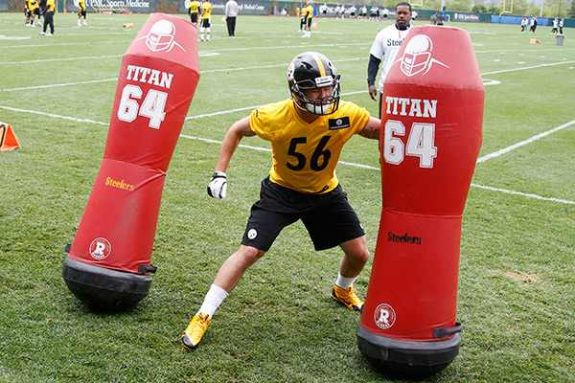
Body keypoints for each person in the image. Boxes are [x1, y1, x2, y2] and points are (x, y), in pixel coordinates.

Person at [181, 51, 381, 350]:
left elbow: (376, 129)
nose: (324, 95)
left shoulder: (346, 113)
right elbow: (236, 129)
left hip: (325, 192)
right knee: (249, 252)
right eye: (316, 88)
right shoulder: (275, 115)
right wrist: (219, 173)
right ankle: (203, 314)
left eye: (328, 87)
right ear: (297, 91)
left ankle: (342, 289)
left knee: (359, 254)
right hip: (282, 191)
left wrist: (413, 126)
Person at [367, 2, 412, 116]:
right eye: (399, 13)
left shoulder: (416, 34)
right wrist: (371, 83)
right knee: (385, 123)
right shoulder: (384, 34)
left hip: (410, 89)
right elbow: (374, 60)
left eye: (405, 13)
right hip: (387, 87)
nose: (401, 16)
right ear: (395, 14)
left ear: (410, 15)